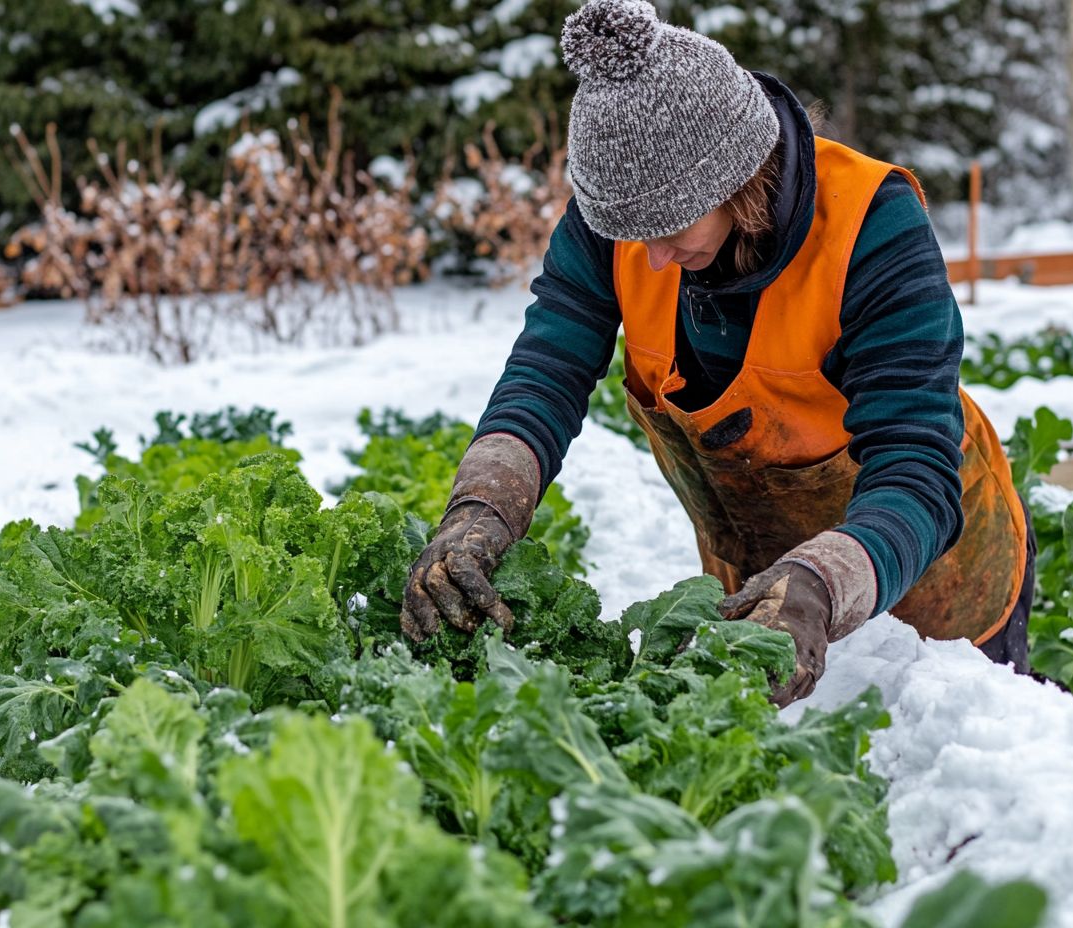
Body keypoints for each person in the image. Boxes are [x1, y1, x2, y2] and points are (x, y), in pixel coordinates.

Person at [399, 0, 1034, 706]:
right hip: (761, 600)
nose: (653, 260)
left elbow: (915, 467)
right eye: (631, 235)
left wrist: (821, 582)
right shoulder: (621, 218)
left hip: (926, 586)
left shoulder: (873, 229)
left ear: (740, 181)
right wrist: (483, 506)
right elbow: (547, 370)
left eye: (669, 229)